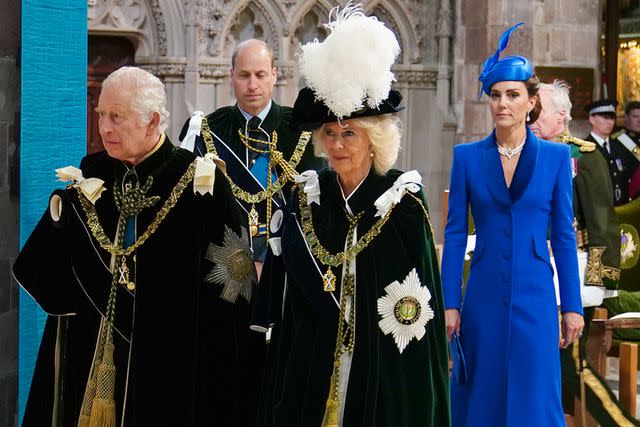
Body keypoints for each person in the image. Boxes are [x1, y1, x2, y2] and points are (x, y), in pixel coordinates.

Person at [14, 66, 263, 426]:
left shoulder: (201, 184)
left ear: (153, 121)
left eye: (117, 116)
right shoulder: (93, 173)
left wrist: (223, 375)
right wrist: (58, 220)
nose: (104, 127)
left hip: (174, 364)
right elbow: (51, 277)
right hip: (93, 355)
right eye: (101, 114)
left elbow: (234, 289)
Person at [254, 5, 450, 426]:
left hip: (378, 363)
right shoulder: (310, 194)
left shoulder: (401, 201)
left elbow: (415, 307)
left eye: (350, 133)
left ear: (373, 138)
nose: (338, 144)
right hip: (312, 358)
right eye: (330, 133)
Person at [441, 24, 584, 427]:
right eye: (496, 95)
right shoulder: (467, 157)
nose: (503, 103)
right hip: (482, 292)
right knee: (481, 393)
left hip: (536, 296)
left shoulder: (557, 160)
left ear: (531, 101)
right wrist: (450, 301)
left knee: (535, 395)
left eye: (513, 95)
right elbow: (453, 234)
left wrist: (571, 305)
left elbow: (564, 236)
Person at [531, 80, 636, 426]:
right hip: (530, 275)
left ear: (561, 115)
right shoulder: (520, 154)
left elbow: (603, 222)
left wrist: (601, 284)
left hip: (570, 277)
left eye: (538, 109)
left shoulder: (582, 156)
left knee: (569, 367)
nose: (530, 115)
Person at [179, 39, 324, 273]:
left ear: (274, 76)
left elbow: (317, 207)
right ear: (231, 76)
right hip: (222, 267)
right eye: (244, 75)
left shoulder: (302, 130)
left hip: (288, 265)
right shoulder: (207, 130)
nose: (252, 84)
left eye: (261, 74)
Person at [585, 99, 638, 205]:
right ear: (592, 119)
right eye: (605, 118)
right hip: (597, 210)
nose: (609, 122)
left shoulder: (620, 147)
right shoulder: (584, 148)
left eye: (612, 118)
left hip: (621, 208)